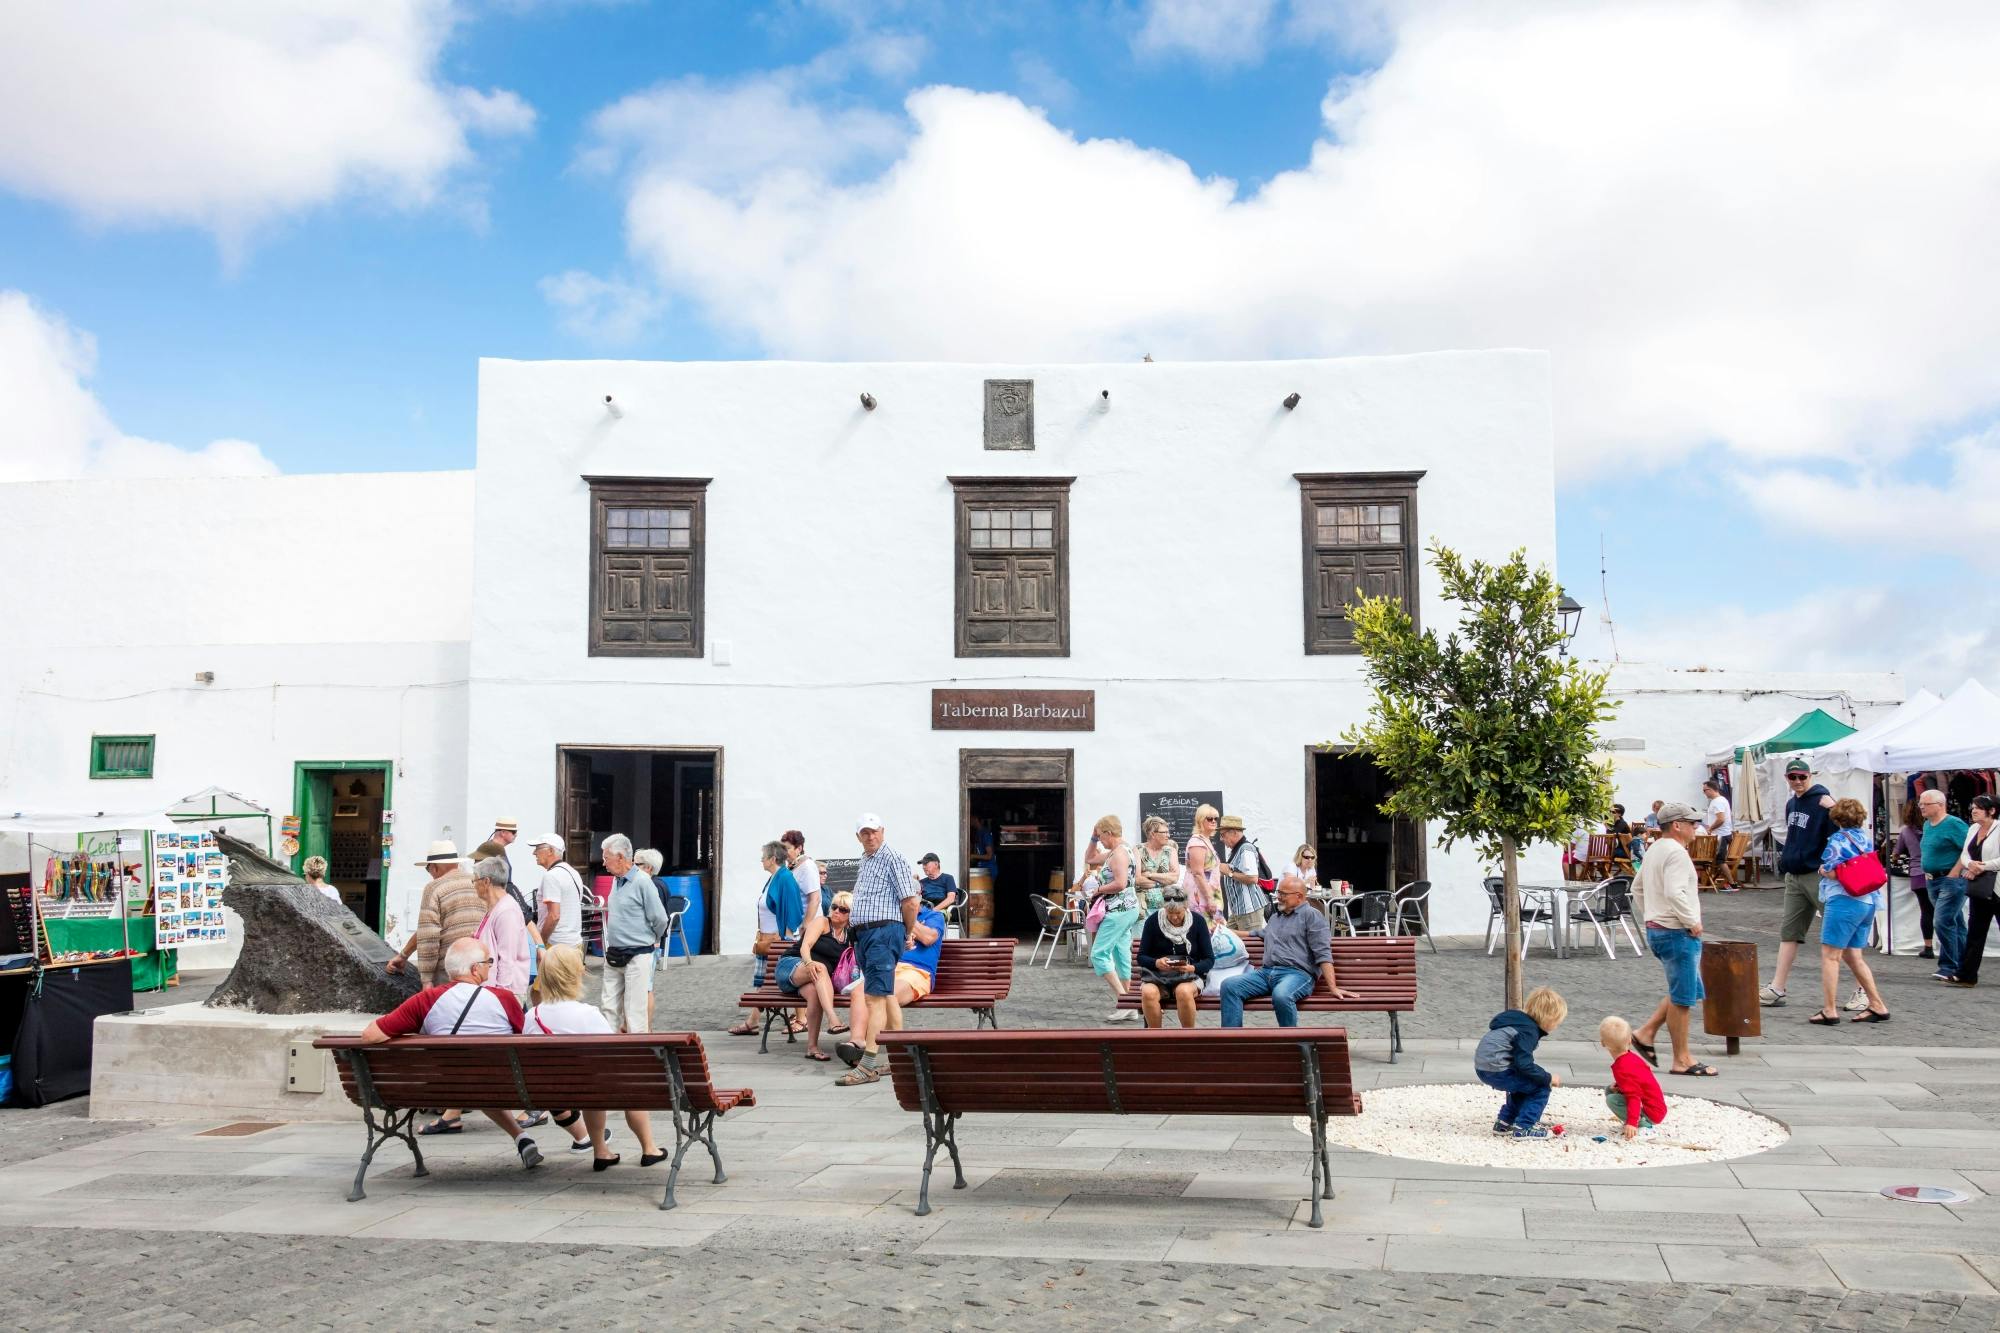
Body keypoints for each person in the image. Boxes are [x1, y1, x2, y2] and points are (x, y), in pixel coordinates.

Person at [359, 937, 542, 1168]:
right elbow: (526, 1042)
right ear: (475, 969)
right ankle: (584, 1139)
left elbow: (369, 1036)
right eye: (489, 961)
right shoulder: (503, 999)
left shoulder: (425, 1001)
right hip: (503, 1086)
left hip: (443, 1090)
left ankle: (521, 1138)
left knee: (471, 1078)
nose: (490, 965)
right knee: (481, 1077)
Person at [524, 945, 667, 1169]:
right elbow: (612, 1056)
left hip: (551, 1090)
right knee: (624, 1082)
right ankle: (649, 1148)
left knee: (590, 1084)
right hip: (591, 1087)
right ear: (576, 975)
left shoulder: (532, 1015)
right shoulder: (587, 1013)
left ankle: (602, 1151)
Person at [1632, 801, 1717, 1077]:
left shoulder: (1655, 848)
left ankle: (1646, 1033)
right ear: (1677, 825)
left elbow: (1637, 887)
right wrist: (1691, 922)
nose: (1697, 827)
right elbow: (1674, 892)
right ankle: (1682, 1059)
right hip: (1676, 931)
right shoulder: (1677, 853)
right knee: (1683, 997)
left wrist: (1650, 916)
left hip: (1659, 928)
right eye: (1692, 823)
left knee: (1687, 988)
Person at [832, 813, 918, 1087]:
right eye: (865, 833)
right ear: (858, 836)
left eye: (874, 831)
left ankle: (867, 1064)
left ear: (883, 830)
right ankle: (901, 1058)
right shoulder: (868, 859)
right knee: (886, 994)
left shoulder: (892, 857)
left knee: (874, 999)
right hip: (868, 935)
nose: (870, 836)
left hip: (883, 932)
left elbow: (910, 902)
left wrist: (906, 931)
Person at [1220, 874, 1357, 1027]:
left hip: (1297, 974)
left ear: (1299, 896)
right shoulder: (1276, 918)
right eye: (1278, 893)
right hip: (1266, 974)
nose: (1278, 897)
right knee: (1229, 986)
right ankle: (1232, 1043)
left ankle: (1292, 1044)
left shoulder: (1311, 916)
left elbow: (1323, 953)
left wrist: (1333, 987)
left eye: (1283, 894)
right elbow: (1256, 933)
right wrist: (1220, 930)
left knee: (1282, 995)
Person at [1762, 759, 1838, 1007]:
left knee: (1839, 932)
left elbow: (1845, 831)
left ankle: (1862, 989)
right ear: (1786, 778)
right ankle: (1777, 986)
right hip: (1794, 874)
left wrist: (1834, 809)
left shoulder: (1823, 802)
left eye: (1802, 777)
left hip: (1817, 874)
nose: (1797, 781)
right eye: (1792, 777)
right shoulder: (1791, 803)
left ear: (1810, 776)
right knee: (1789, 932)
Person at [1809, 798, 1891, 1025]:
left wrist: (1823, 871)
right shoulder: (1865, 839)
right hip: (1868, 901)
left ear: (1836, 818)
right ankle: (1876, 1003)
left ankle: (1829, 1009)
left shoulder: (1837, 840)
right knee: (1854, 955)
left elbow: (1835, 872)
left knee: (1830, 956)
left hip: (1844, 901)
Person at [841, 902, 945, 1066]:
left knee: (887, 994)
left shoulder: (933, 916)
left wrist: (908, 919)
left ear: (917, 897)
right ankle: (857, 1044)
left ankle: (897, 1054)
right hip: (891, 966)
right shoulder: (892, 918)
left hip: (918, 972)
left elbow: (928, 938)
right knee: (859, 992)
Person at [729, 843, 804, 1037]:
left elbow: (794, 910)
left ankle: (754, 1022)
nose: (761, 860)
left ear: (772, 859)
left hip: (777, 941)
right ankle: (753, 1022)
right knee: (763, 984)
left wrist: (784, 939)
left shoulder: (785, 879)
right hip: (767, 940)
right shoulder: (774, 878)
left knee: (767, 985)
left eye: (763, 856)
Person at [385, 841, 484, 986]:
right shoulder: (478, 882)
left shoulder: (434, 888)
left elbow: (429, 936)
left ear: (434, 867)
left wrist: (426, 979)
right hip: (479, 966)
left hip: (450, 970)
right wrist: (404, 955)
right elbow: (425, 929)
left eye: (428, 868)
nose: (430, 873)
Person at [1473, 985, 1566, 1139]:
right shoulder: (1528, 1031)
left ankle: (1504, 1123)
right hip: (1498, 1070)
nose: (1556, 1026)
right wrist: (1547, 1078)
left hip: (1483, 1068)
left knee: (1523, 1085)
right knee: (1540, 1088)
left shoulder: (1517, 1022)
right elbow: (1524, 1064)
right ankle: (1525, 1127)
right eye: (1557, 1022)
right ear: (1549, 1017)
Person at [599, 833, 669, 1034]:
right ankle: (608, 1052)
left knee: (635, 1011)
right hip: (614, 953)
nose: (603, 863)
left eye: (606, 858)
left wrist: (652, 939)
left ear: (620, 857)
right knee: (608, 1007)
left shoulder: (643, 881)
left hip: (638, 954)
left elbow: (660, 918)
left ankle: (639, 1056)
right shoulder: (616, 880)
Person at [778, 889, 854, 1060]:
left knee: (814, 993)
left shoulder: (850, 935)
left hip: (814, 978)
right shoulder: (822, 922)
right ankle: (833, 1018)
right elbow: (805, 946)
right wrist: (810, 962)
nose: (837, 911)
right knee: (819, 968)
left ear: (851, 914)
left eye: (843, 910)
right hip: (792, 966)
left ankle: (812, 1047)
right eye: (835, 907)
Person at [1081, 815, 1142, 1022]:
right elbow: (1089, 859)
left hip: (1119, 909)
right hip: (1127, 908)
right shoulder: (1119, 851)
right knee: (1121, 955)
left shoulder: (1118, 855)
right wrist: (1092, 839)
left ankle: (1124, 1000)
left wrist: (1097, 890)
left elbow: (1120, 883)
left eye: (1101, 836)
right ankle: (1131, 1006)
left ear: (1109, 833)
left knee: (1098, 953)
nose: (1100, 841)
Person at [1136, 882, 1213, 1028]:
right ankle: (1156, 1040)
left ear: (1186, 908)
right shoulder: (1153, 921)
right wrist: (1156, 963)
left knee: (1183, 991)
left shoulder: (1198, 922)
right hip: (1158, 976)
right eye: (1170, 914)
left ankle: (1188, 1039)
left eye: (1178, 913)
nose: (1174, 918)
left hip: (1189, 976)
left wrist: (1193, 968)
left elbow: (1209, 960)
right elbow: (1141, 957)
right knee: (1148, 992)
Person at [1918, 789, 1973, 983]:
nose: (1922, 807)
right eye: (1920, 803)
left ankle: (1948, 966)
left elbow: (1969, 848)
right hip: (1933, 879)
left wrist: (1956, 871)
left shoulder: (1954, 824)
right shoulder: (1927, 825)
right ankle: (1964, 965)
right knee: (1955, 923)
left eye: (1926, 803)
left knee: (1942, 921)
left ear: (1940, 805)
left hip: (1950, 879)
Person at [1946, 795, 2000, 988]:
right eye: (1972, 808)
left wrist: (1982, 866)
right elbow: (1965, 854)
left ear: (1991, 810)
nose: (1973, 811)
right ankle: (1967, 974)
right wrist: (1970, 864)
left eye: (1977, 808)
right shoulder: (1973, 828)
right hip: (1980, 886)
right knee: (1975, 932)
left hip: (1997, 885)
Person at [471, 856, 535, 1001]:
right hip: (492, 989)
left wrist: (500, 996)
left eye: (474, 880)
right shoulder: (496, 907)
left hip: (504, 992)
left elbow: (507, 958)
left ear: (486, 881)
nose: (473, 885)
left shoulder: (507, 911)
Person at [1599, 1016, 1667, 1140]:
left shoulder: (1623, 1068)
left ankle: (1644, 1125)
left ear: (1602, 1043)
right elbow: (1639, 1082)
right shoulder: (1630, 1058)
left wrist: (1632, 1122)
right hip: (1655, 1107)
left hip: (1652, 1112)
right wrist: (1620, 1086)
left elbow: (1634, 1097)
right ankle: (1637, 1120)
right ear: (1630, 1040)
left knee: (1612, 1100)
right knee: (1609, 1090)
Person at [525, 834, 584, 951]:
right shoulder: (573, 872)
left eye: (538, 848)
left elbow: (554, 916)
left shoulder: (551, 876)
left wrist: (540, 942)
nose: (534, 853)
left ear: (550, 851)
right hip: (574, 943)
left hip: (556, 945)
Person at [1893, 803, 1936, 960]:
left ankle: (1928, 946)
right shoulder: (1932, 828)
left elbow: (1896, 854)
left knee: (1926, 911)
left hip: (1917, 874)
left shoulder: (1905, 831)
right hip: (1934, 873)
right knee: (1942, 912)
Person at [1216, 815, 1267, 933]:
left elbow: (1253, 878)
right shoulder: (1238, 849)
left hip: (1249, 910)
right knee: (1227, 938)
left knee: (1250, 946)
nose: (1221, 839)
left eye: (1223, 835)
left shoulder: (1245, 849)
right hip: (1239, 910)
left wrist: (1229, 873)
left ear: (1233, 832)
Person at [1182, 805, 1224, 923]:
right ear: (1201, 820)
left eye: (1216, 818)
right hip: (1201, 897)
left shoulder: (1205, 840)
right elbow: (1198, 873)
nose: (1214, 821)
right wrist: (1210, 899)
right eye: (1209, 818)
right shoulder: (1197, 842)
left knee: (1214, 930)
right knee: (1207, 930)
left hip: (1209, 893)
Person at [1132, 817, 1180, 912]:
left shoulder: (1171, 851)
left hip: (1166, 907)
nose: (1168, 835)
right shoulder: (1138, 849)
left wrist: (1150, 875)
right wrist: (1162, 882)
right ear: (1153, 834)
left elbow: (1174, 878)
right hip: (1143, 907)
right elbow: (1138, 879)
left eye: (1168, 832)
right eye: (1164, 832)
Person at [782, 830, 822, 923]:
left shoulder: (807, 867)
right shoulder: (792, 868)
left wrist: (805, 925)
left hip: (808, 928)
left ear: (799, 848)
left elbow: (815, 899)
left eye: (787, 848)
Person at [1702, 780, 1736, 890]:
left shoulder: (1717, 801)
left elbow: (1721, 819)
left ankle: (1731, 883)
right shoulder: (1721, 800)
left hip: (1721, 835)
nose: (1704, 793)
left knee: (1719, 860)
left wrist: (1710, 829)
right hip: (1723, 834)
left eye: (1705, 790)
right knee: (1718, 860)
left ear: (1711, 789)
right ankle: (1726, 881)